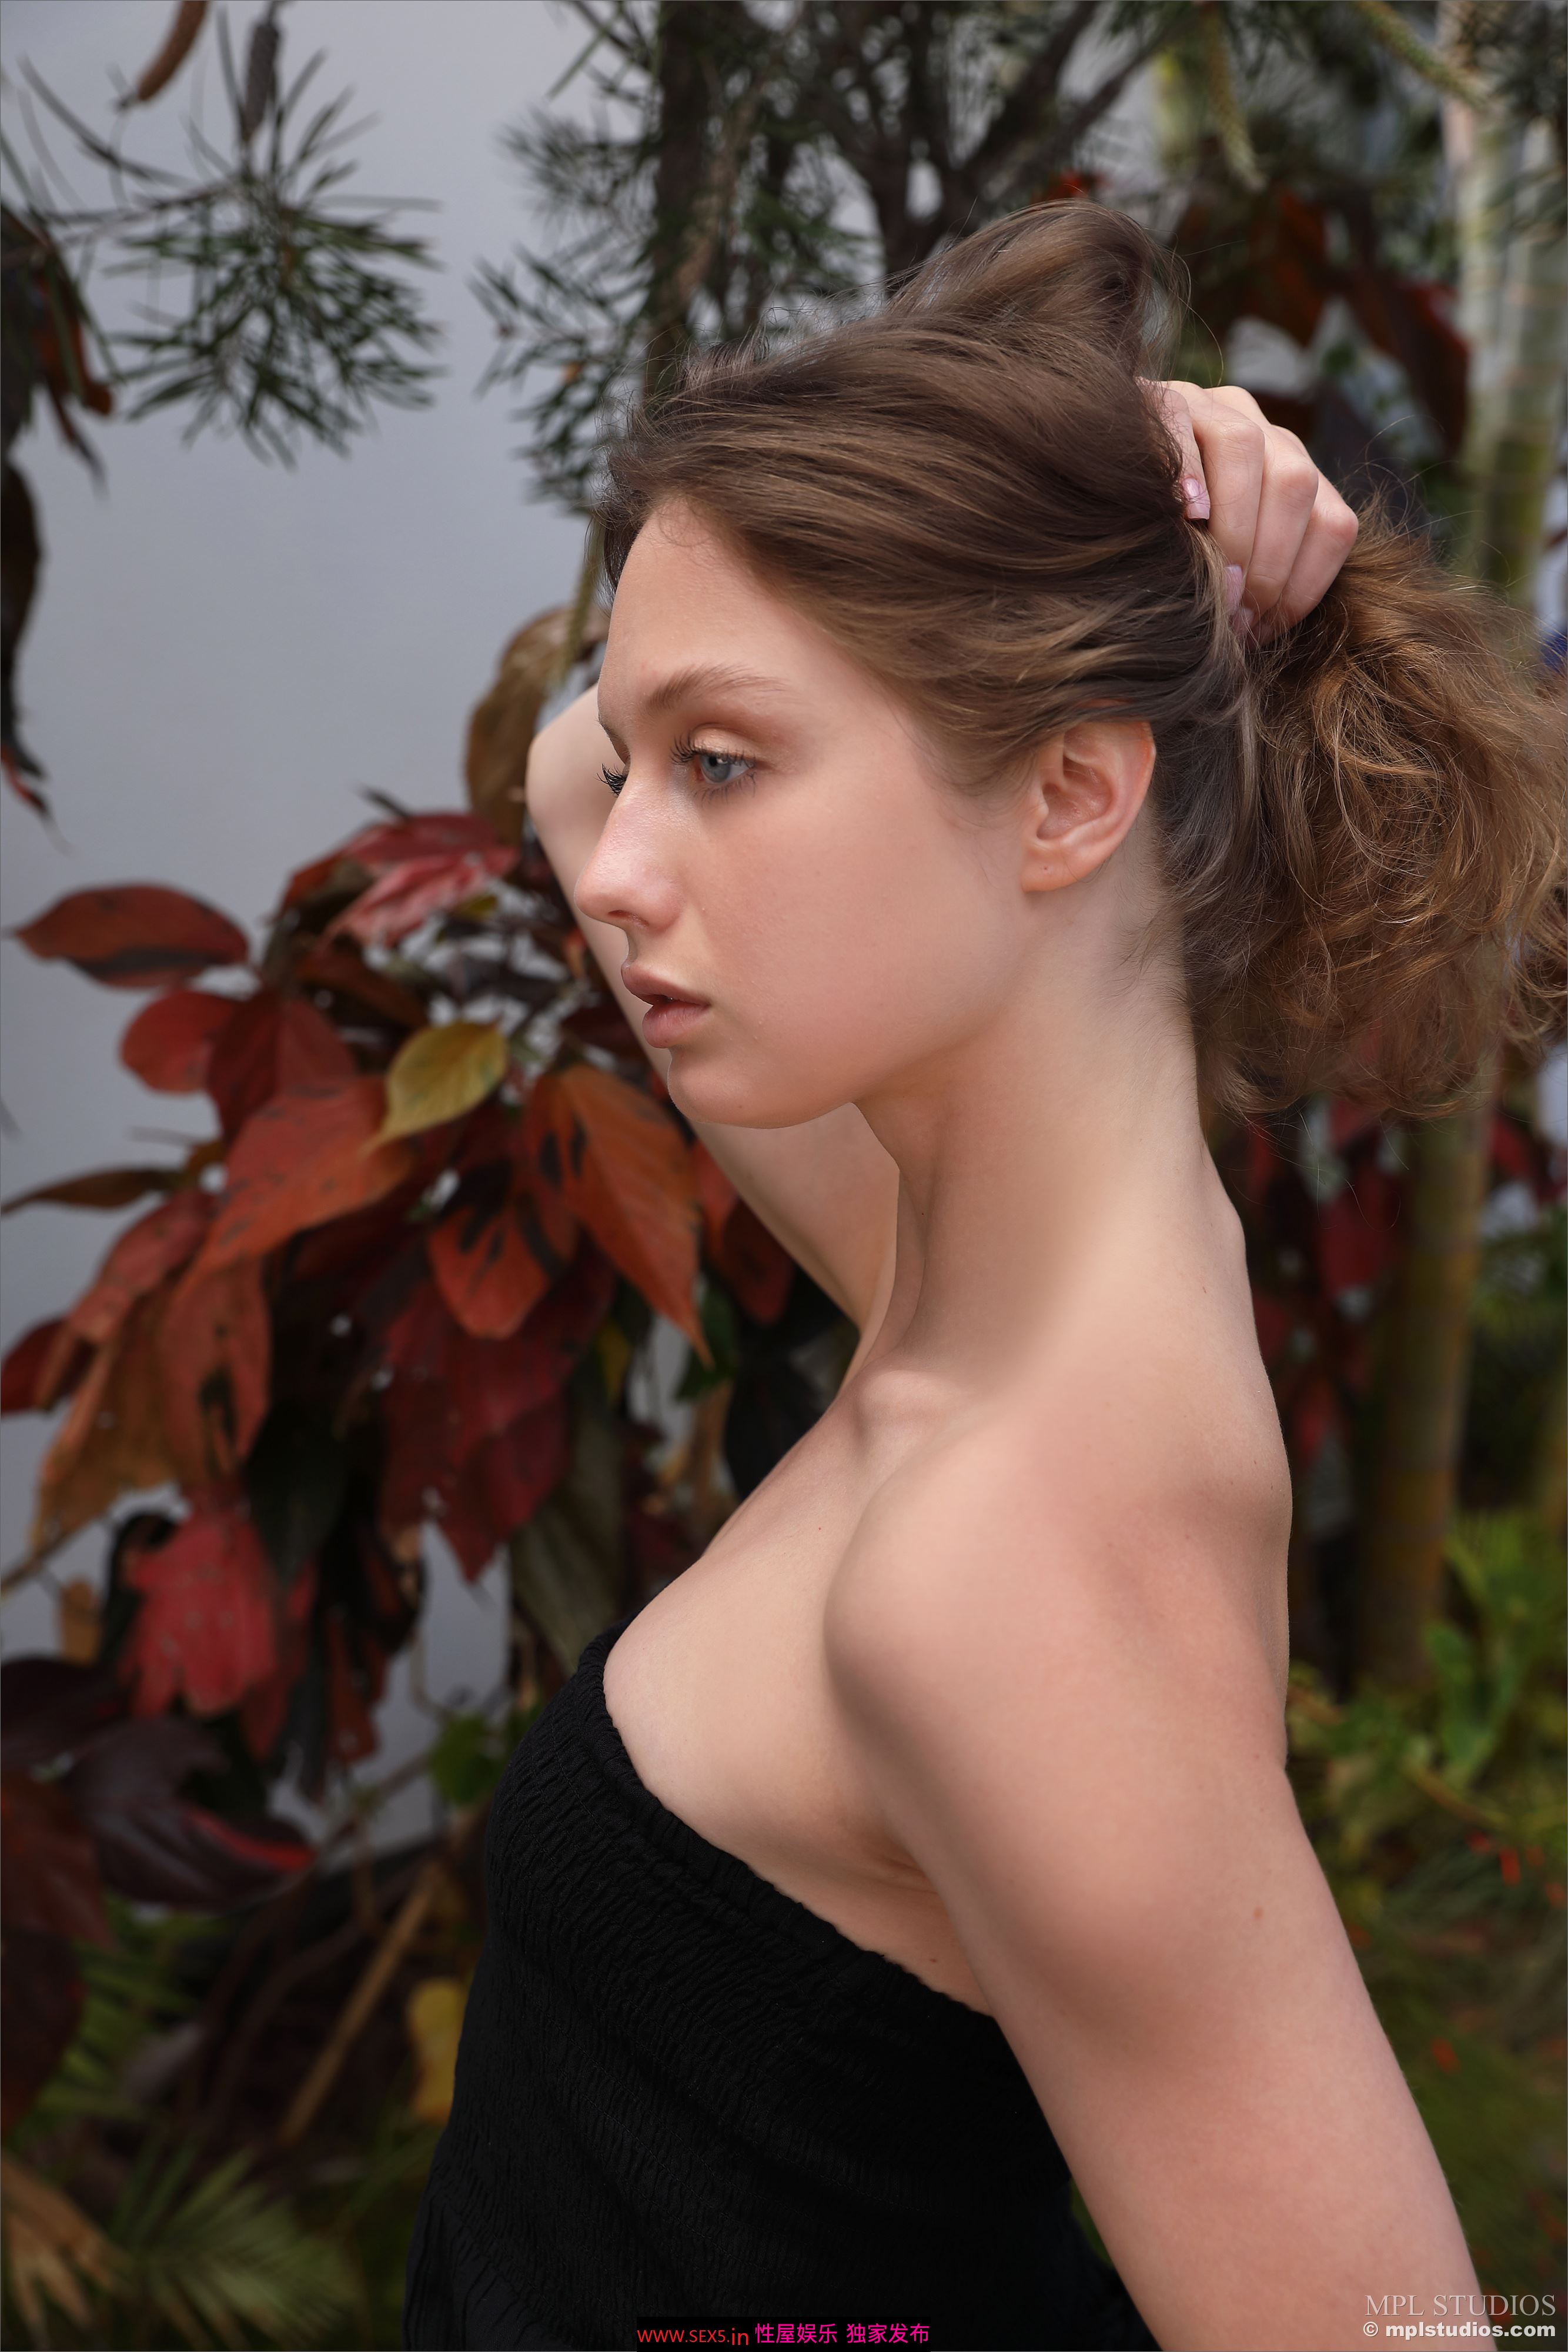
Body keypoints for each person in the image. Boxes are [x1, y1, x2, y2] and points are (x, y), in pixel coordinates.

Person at [404, 204, 1562, 2352]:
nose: (624, 865)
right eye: (661, 765)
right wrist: (1122, 488)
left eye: (724, 767)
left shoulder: (1005, 1571)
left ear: (1068, 795)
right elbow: (573, 765)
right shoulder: (983, 1260)